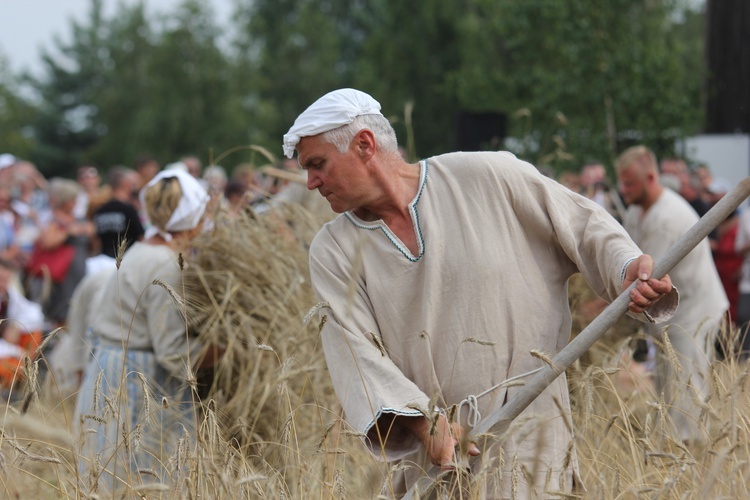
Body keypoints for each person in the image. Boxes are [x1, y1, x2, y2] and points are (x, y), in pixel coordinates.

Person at [283, 89, 677, 497]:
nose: (311, 183)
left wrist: (628, 270)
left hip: (532, 441)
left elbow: (583, 225)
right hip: (437, 462)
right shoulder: (333, 250)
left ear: (364, 145)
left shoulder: (487, 177)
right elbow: (355, 354)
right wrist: (426, 424)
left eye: (318, 164)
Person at [74, 169, 220, 492]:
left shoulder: (139, 250)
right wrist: (226, 351)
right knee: (141, 479)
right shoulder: (167, 265)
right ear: (194, 216)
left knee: (109, 478)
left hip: (110, 372)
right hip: (138, 384)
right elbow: (172, 353)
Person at [616, 145, 728, 442]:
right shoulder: (638, 211)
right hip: (672, 312)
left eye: (629, 184)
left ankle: (690, 454)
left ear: (650, 178)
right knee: (668, 385)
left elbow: (645, 281)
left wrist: (601, 307)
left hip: (692, 312)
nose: (623, 190)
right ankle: (672, 449)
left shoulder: (666, 219)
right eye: (621, 183)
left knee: (686, 393)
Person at [0, 258, 45, 391]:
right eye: (0, 279)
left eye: (6, 280)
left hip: (5, 349)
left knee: (34, 333)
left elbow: (35, 313)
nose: (3, 284)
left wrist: (16, 326)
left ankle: (16, 380)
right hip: (4, 349)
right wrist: (17, 351)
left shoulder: (7, 295)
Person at [92, 167, 144, 259]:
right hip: (127, 260)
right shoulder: (128, 209)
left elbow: (96, 241)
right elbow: (140, 237)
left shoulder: (100, 211)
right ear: (126, 184)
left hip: (104, 261)